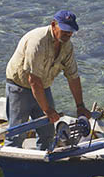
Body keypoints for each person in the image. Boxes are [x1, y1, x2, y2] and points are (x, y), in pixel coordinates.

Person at [5, 10, 91, 150]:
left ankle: (43, 159)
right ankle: (8, 164)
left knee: (47, 133)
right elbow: (33, 80)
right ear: (53, 25)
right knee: (17, 133)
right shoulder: (37, 42)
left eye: (71, 31)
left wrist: (80, 106)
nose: (68, 34)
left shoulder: (67, 46)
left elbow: (73, 77)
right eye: (64, 30)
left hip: (43, 87)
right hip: (19, 87)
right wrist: (47, 109)